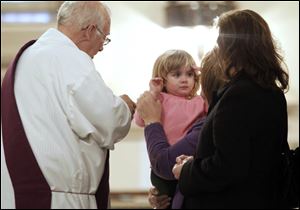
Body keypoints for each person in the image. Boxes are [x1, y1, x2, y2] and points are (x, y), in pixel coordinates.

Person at [1, 1, 135, 209]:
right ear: (90, 30)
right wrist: (125, 106)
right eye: (104, 38)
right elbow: (109, 120)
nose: (101, 47)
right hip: (61, 199)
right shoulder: (70, 59)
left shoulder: (28, 57)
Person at [172, 9, 290, 209]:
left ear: (233, 47)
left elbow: (228, 167)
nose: (217, 49)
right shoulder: (272, 93)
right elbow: (244, 157)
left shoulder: (238, 95)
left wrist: (186, 170)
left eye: (220, 42)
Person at [137, 49, 225, 209]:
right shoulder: (160, 99)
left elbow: (211, 105)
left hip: (182, 163)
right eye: (177, 75)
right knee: (163, 197)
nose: (184, 80)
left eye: (190, 74)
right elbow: (140, 118)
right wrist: (153, 93)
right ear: (162, 79)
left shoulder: (199, 102)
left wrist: (210, 74)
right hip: (161, 165)